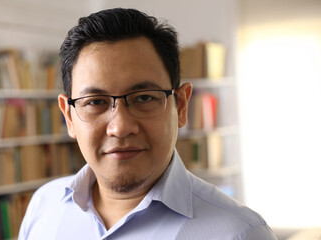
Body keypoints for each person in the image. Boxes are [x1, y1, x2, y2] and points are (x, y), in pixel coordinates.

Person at [19, 8, 277, 240]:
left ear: (182, 105)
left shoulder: (241, 233)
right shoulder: (44, 206)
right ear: (68, 116)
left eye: (144, 98)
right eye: (95, 101)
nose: (119, 127)